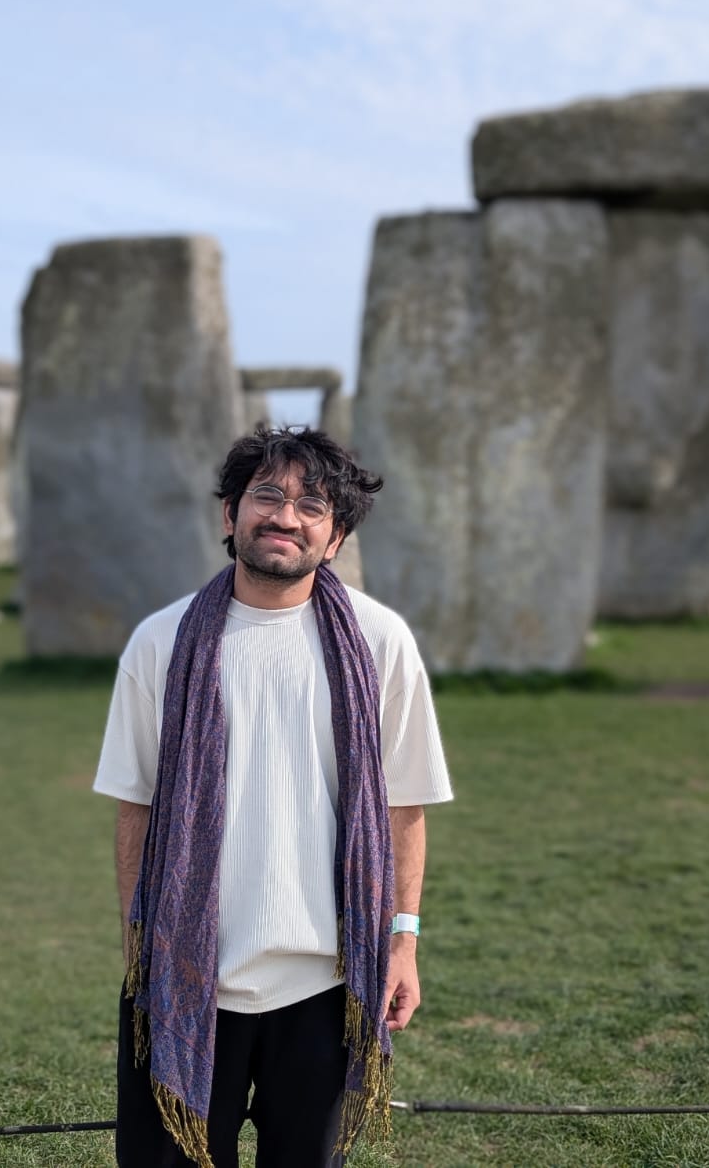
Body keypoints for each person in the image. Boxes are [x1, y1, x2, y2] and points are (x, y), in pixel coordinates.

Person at [94, 426, 454, 1167]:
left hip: (327, 980)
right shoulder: (159, 643)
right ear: (230, 515)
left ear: (336, 536)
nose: (285, 517)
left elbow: (403, 806)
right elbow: (137, 807)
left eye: (312, 505)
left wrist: (404, 940)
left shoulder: (381, 641)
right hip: (188, 977)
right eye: (266, 496)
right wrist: (143, 957)